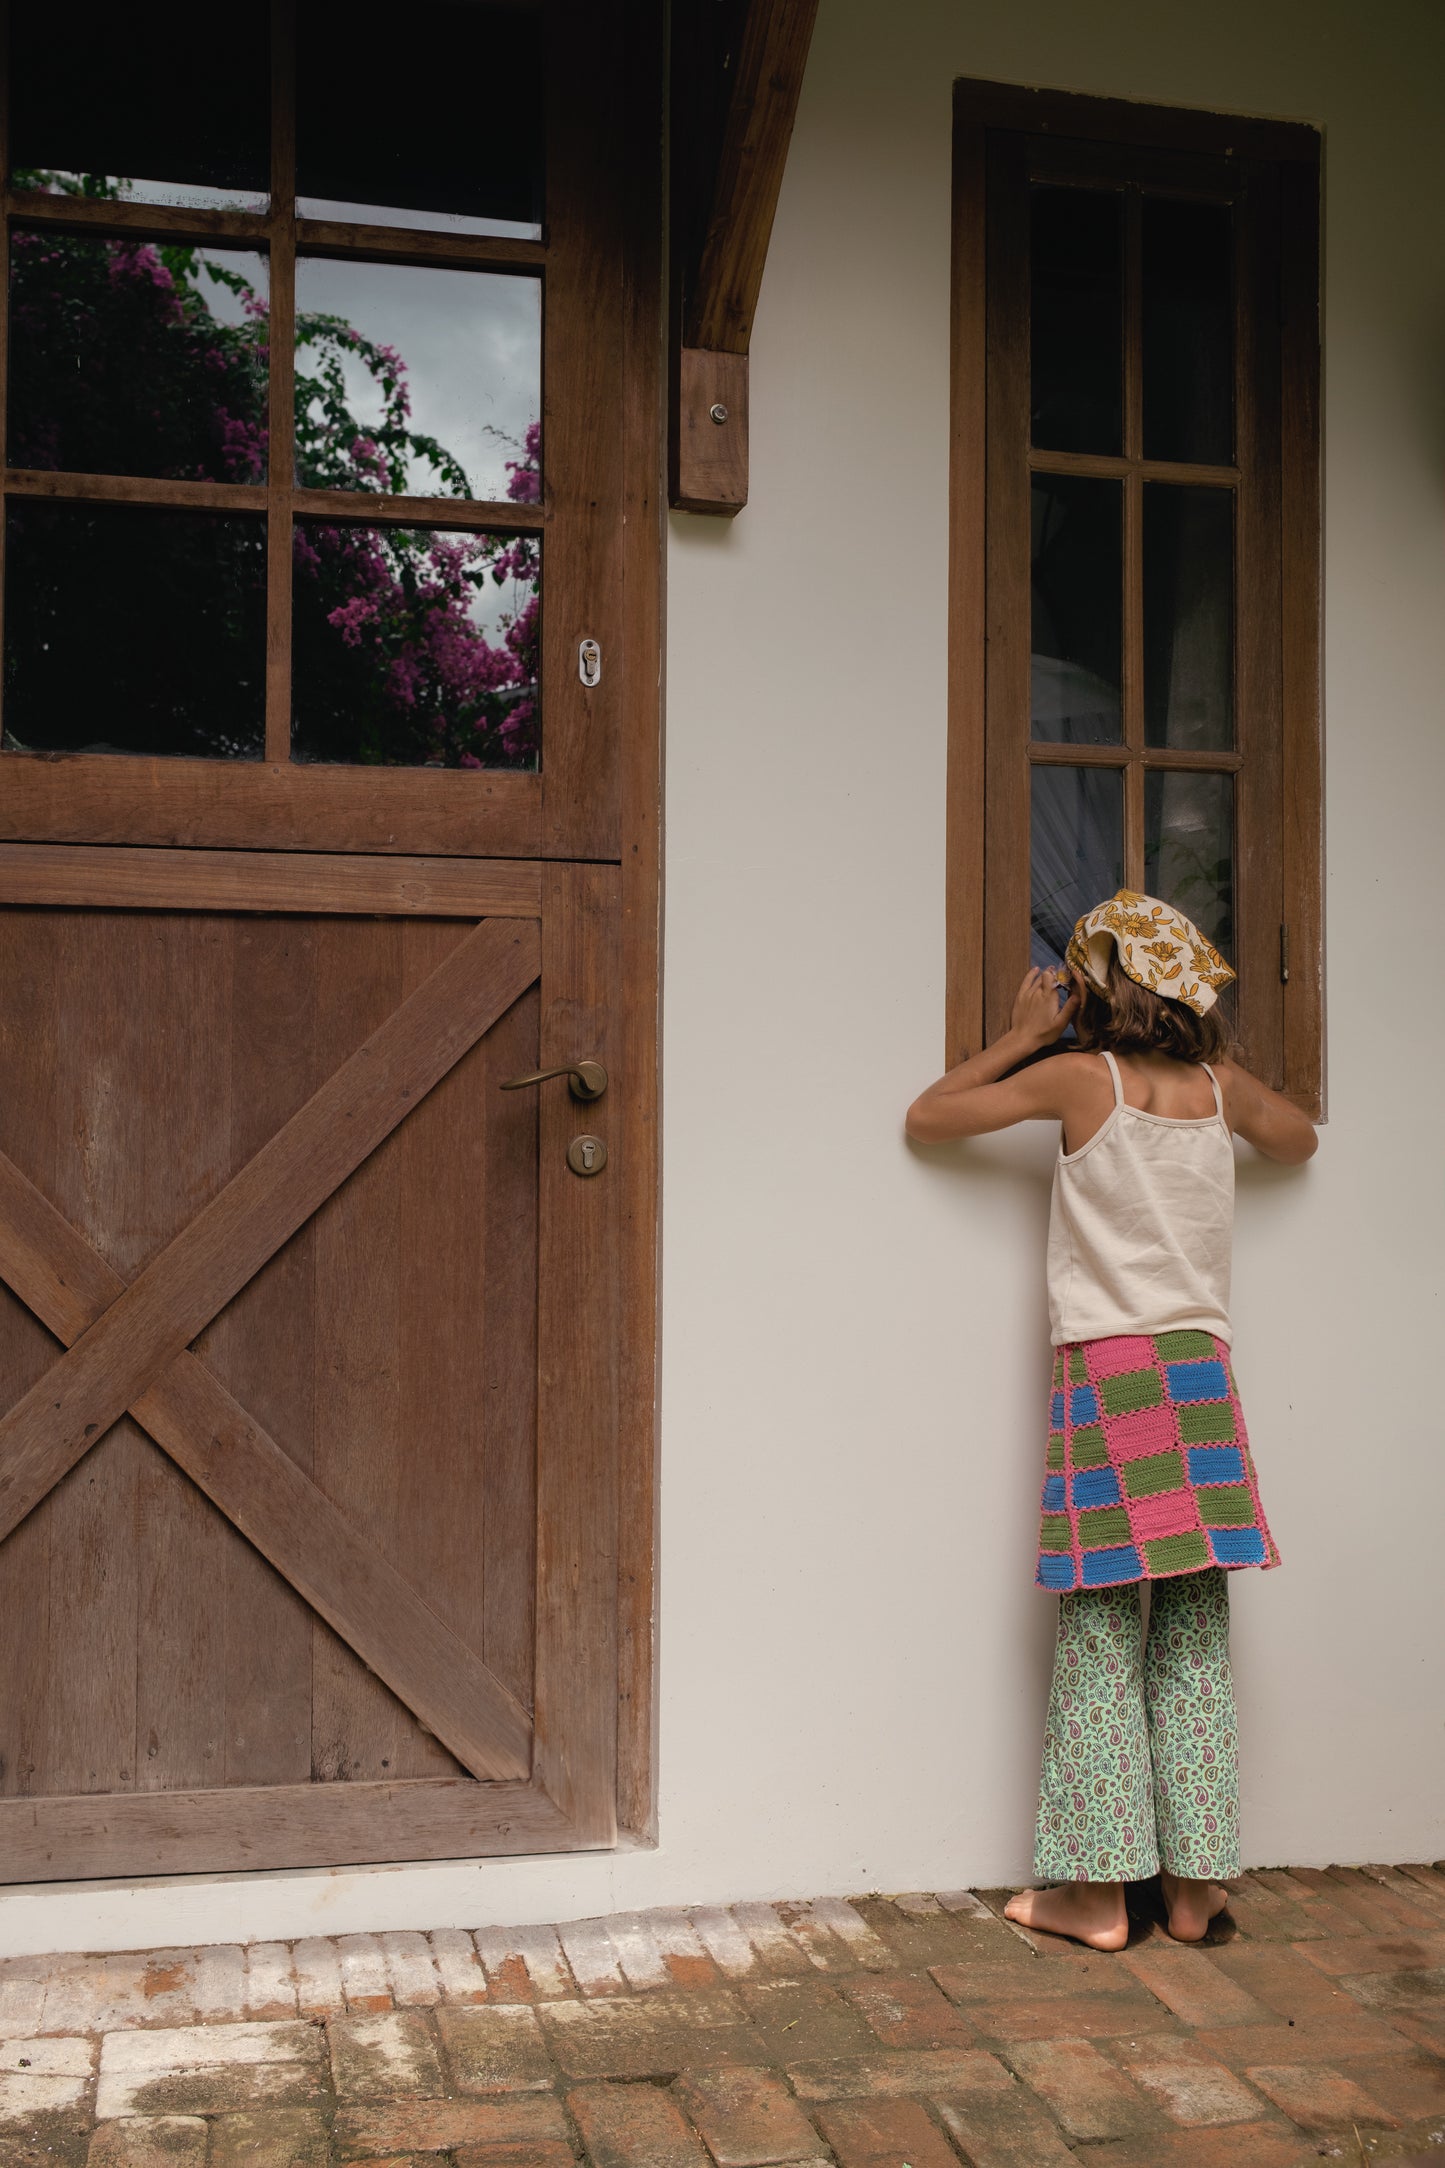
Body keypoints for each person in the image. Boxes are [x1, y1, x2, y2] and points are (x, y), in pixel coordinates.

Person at [906, 891, 1317, 1951]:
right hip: (1200, 1377)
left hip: (1110, 1376)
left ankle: (1094, 1895)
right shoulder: (1218, 1090)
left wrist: (1018, 1034)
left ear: (1099, 985)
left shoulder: (1078, 1079)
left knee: (1097, 1628)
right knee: (1188, 1630)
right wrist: (1228, 1084)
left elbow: (929, 1114)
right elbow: (1299, 1140)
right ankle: (1190, 1889)